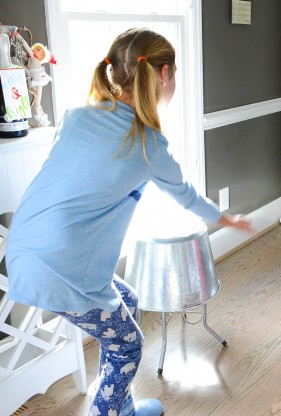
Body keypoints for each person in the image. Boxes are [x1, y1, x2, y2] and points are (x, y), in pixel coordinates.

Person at [6, 28, 255, 416]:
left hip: (23, 252)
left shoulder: (76, 117)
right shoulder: (147, 143)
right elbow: (186, 194)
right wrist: (227, 218)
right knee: (128, 346)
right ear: (165, 74)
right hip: (65, 271)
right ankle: (106, 412)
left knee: (130, 301)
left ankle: (123, 409)